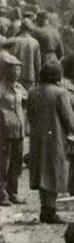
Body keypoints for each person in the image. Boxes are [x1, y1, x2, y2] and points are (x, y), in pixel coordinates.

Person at [27, 60, 74, 224]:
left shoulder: (33, 92)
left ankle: (45, 208)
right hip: (55, 138)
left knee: (41, 172)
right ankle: (50, 211)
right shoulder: (60, 93)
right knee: (53, 171)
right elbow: (69, 118)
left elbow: (29, 115)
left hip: (37, 136)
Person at [0, 52, 29, 205]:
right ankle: (2, 194)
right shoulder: (1, 88)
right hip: (4, 131)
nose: (16, 73)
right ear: (6, 71)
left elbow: (27, 100)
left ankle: (13, 192)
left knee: (16, 165)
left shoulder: (20, 87)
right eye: (13, 70)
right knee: (3, 164)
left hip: (19, 130)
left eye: (18, 70)